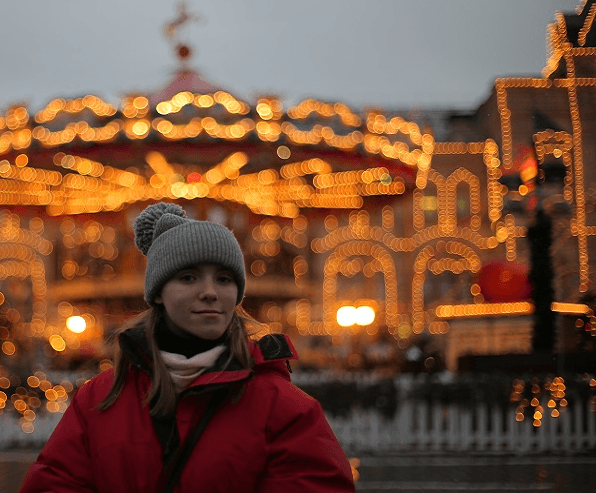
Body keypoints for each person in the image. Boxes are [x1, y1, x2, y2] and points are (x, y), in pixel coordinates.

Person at [19, 202, 354, 493]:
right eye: (188, 278)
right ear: (158, 292)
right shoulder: (98, 399)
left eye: (224, 279)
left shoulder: (284, 407)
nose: (210, 292)